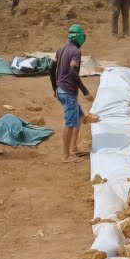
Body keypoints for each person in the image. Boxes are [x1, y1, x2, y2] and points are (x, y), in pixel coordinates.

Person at [51, 24, 95, 162]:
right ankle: (66, 156)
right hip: (68, 92)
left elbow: (51, 69)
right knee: (70, 123)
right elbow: (72, 72)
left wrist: (55, 88)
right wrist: (86, 92)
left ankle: (74, 148)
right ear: (80, 37)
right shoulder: (75, 51)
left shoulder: (61, 49)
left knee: (80, 117)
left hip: (61, 90)